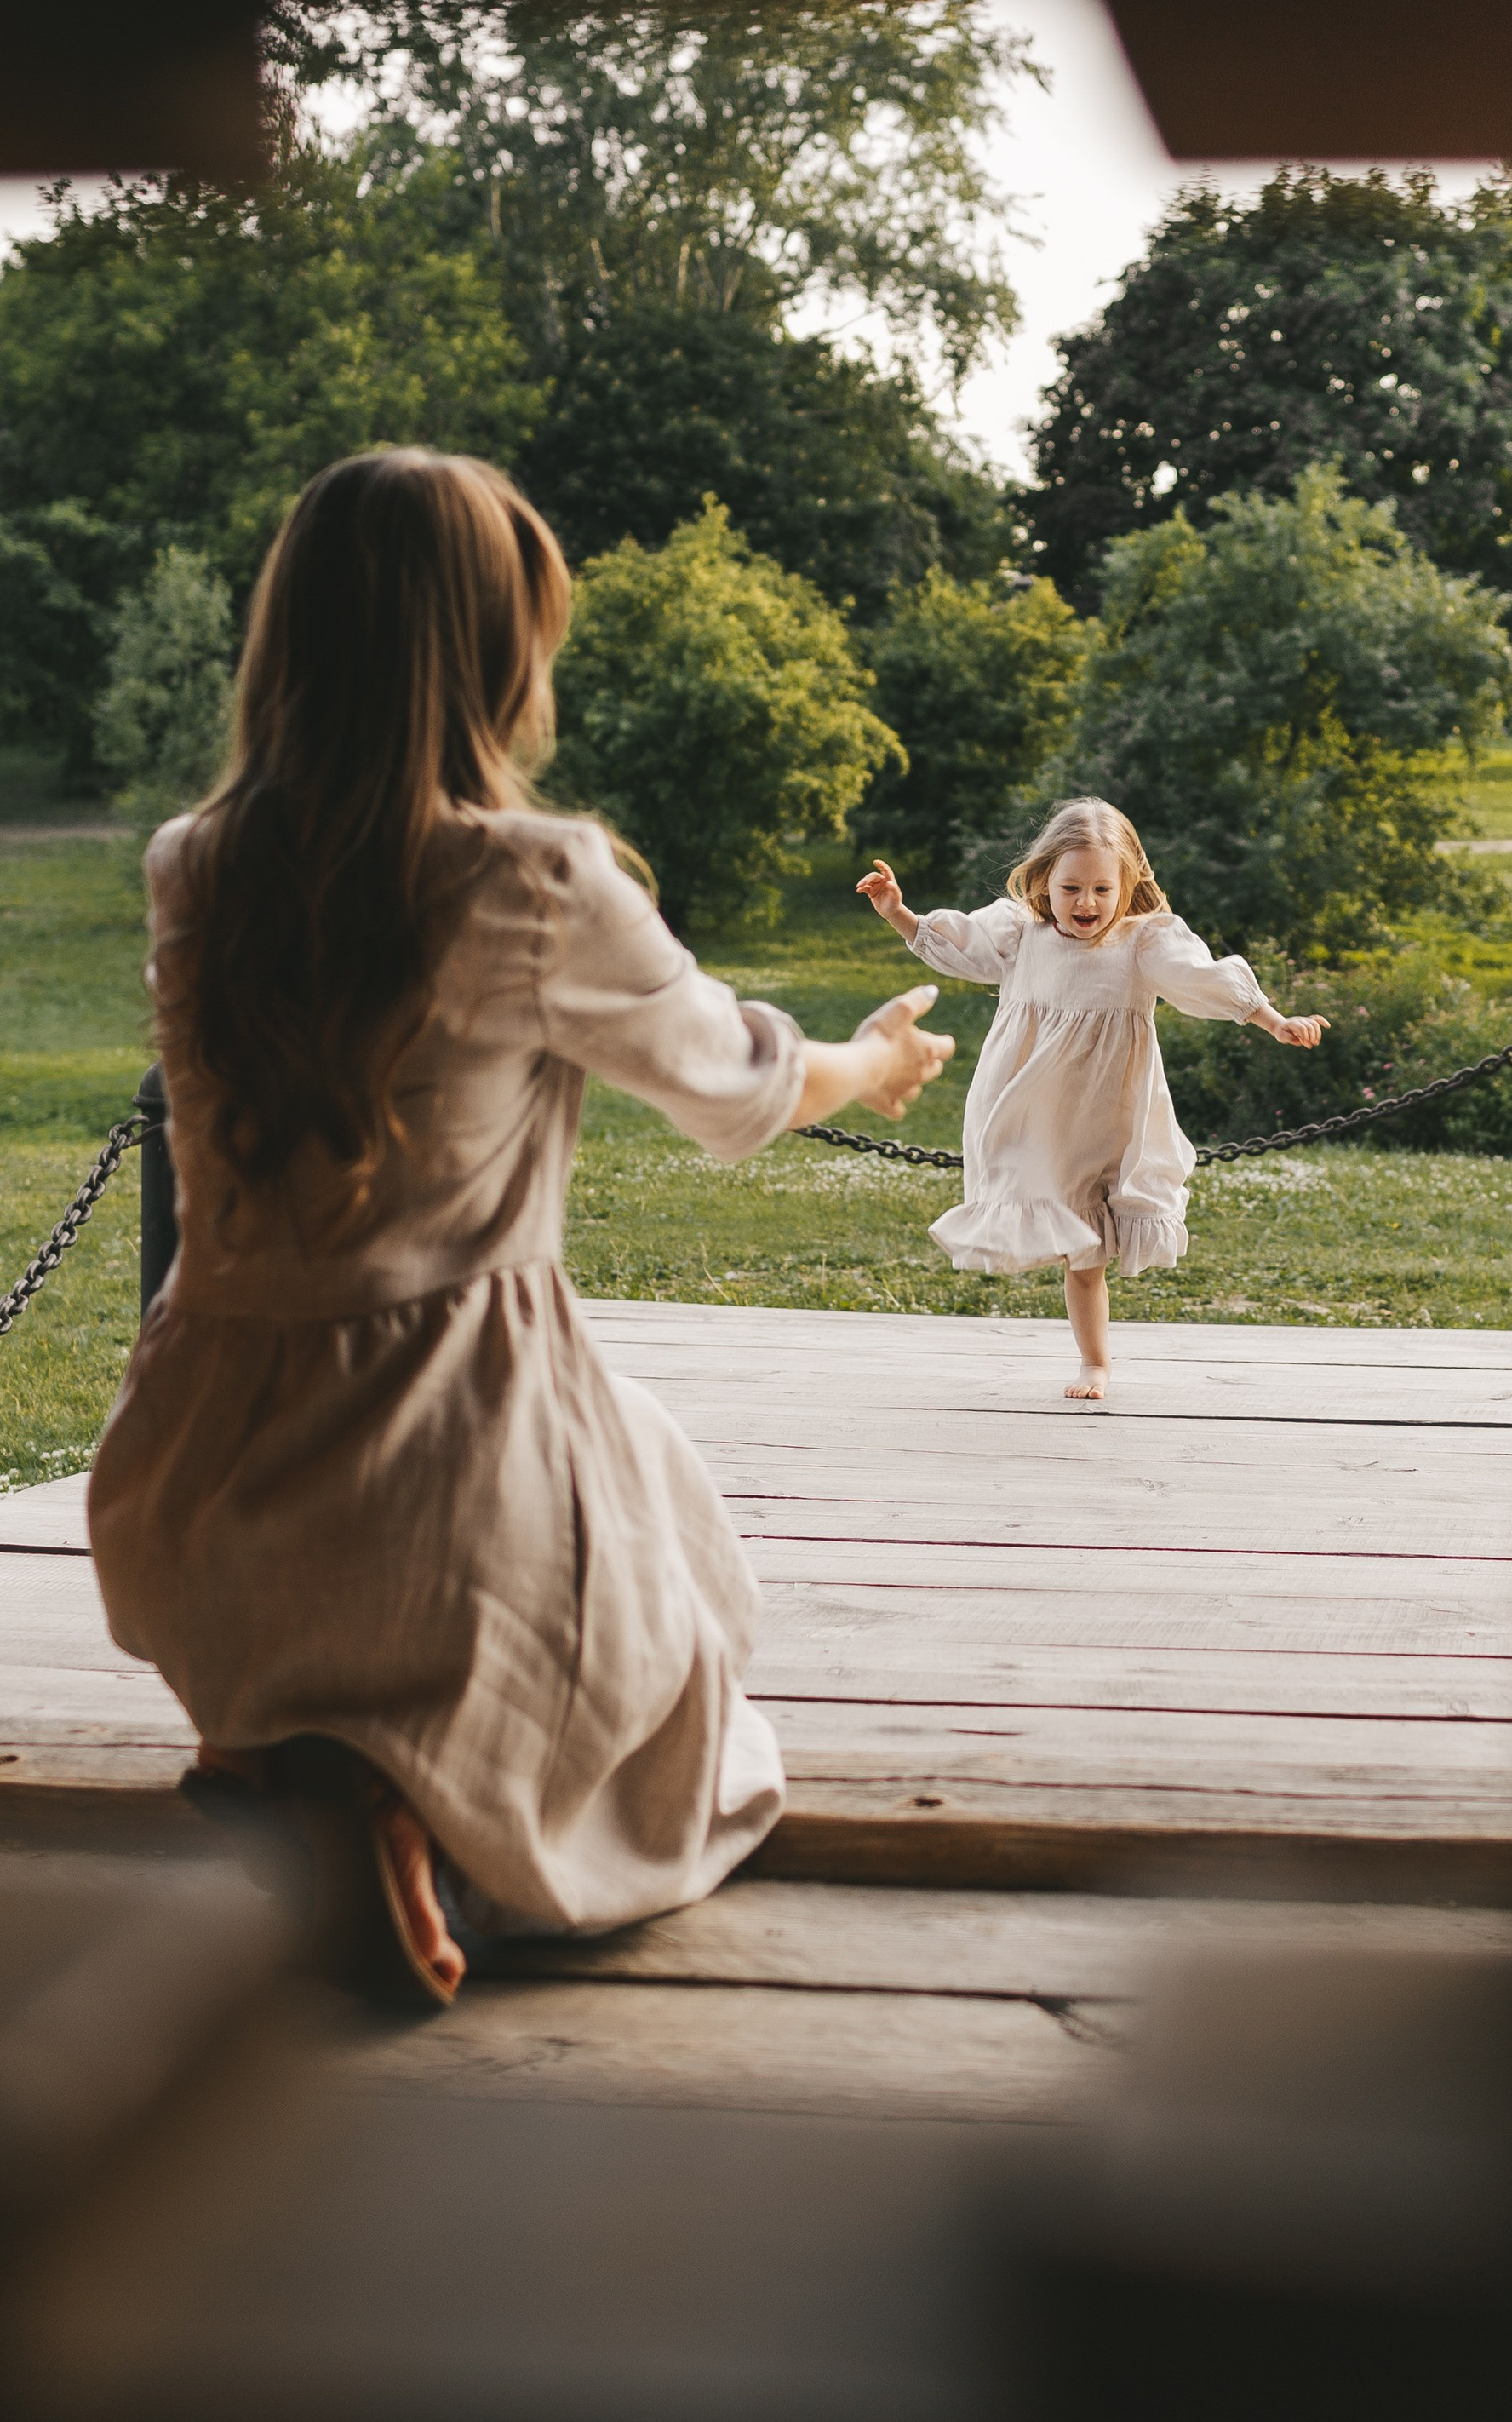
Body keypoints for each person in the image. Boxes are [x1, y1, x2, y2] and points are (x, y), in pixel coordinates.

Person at [89, 448, 952, 2008]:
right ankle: (426, 1831)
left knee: (601, 1486)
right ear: (497, 652)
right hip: (441, 1482)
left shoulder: (191, 870)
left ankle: (278, 1750)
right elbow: (734, 1087)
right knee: (680, 1652)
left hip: (193, 1494)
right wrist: (877, 1060)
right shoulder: (531, 881)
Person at [856, 796, 1324, 1401]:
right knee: (1056, 1220)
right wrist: (898, 911)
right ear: (1043, 878)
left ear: (1128, 885)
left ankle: (1095, 1362)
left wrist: (1273, 1019)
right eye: (1071, 886)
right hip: (1032, 1110)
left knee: (1087, 1250)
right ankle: (1089, 1352)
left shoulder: (1142, 942)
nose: (1086, 903)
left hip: (1107, 1116)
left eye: (1103, 888)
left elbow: (1201, 978)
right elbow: (958, 946)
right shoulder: (1020, 933)